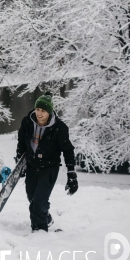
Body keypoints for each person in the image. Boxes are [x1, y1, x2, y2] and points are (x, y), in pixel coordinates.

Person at [16, 92, 78, 232]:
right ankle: (46, 218)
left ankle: (39, 231)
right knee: (32, 197)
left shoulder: (59, 128)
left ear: (49, 112)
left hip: (49, 168)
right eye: (37, 109)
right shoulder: (27, 122)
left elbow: (68, 150)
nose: (39, 113)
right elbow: (21, 143)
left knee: (38, 202)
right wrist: (20, 162)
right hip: (32, 165)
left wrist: (71, 173)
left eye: (43, 110)